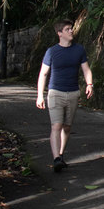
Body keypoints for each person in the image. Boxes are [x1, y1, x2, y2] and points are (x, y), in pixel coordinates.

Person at [36, 19, 94, 172]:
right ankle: (56, 159)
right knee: (56, 125)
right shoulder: (52, 52)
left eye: (71, 28)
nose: (71, 31)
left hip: (73, 93)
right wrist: (40, 96)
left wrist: (89, 84)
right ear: (59, 33)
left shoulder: (79, 50)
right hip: (55, 93)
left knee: (67, 127)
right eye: (68, 29)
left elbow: (86, 70)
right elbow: (43, 74)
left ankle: (60, 155)